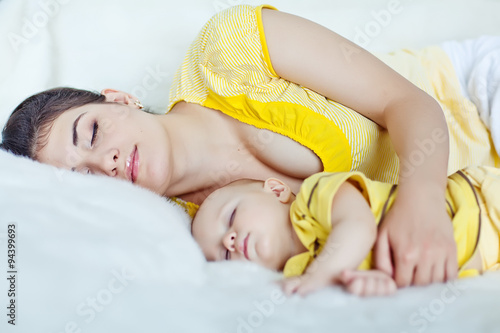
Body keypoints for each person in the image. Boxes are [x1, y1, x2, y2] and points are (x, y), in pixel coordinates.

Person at [1, 4, 499, 288]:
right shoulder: (203, 230)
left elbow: (406, 102)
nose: (106, 162)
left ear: (119, 98)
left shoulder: (228, 49)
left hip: (468, 98)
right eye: (85, 176)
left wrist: (423, 199)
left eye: (90, 132)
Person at [191, 166, 500, 297]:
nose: (229, 240)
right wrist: (376, 281)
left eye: (231, 216)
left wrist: (322, 275)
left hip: (479, 205)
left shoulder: (313, 199)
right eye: (221, 254)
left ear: (275, 190)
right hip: (479, 263)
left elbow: (358, 227)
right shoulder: (296, 273)